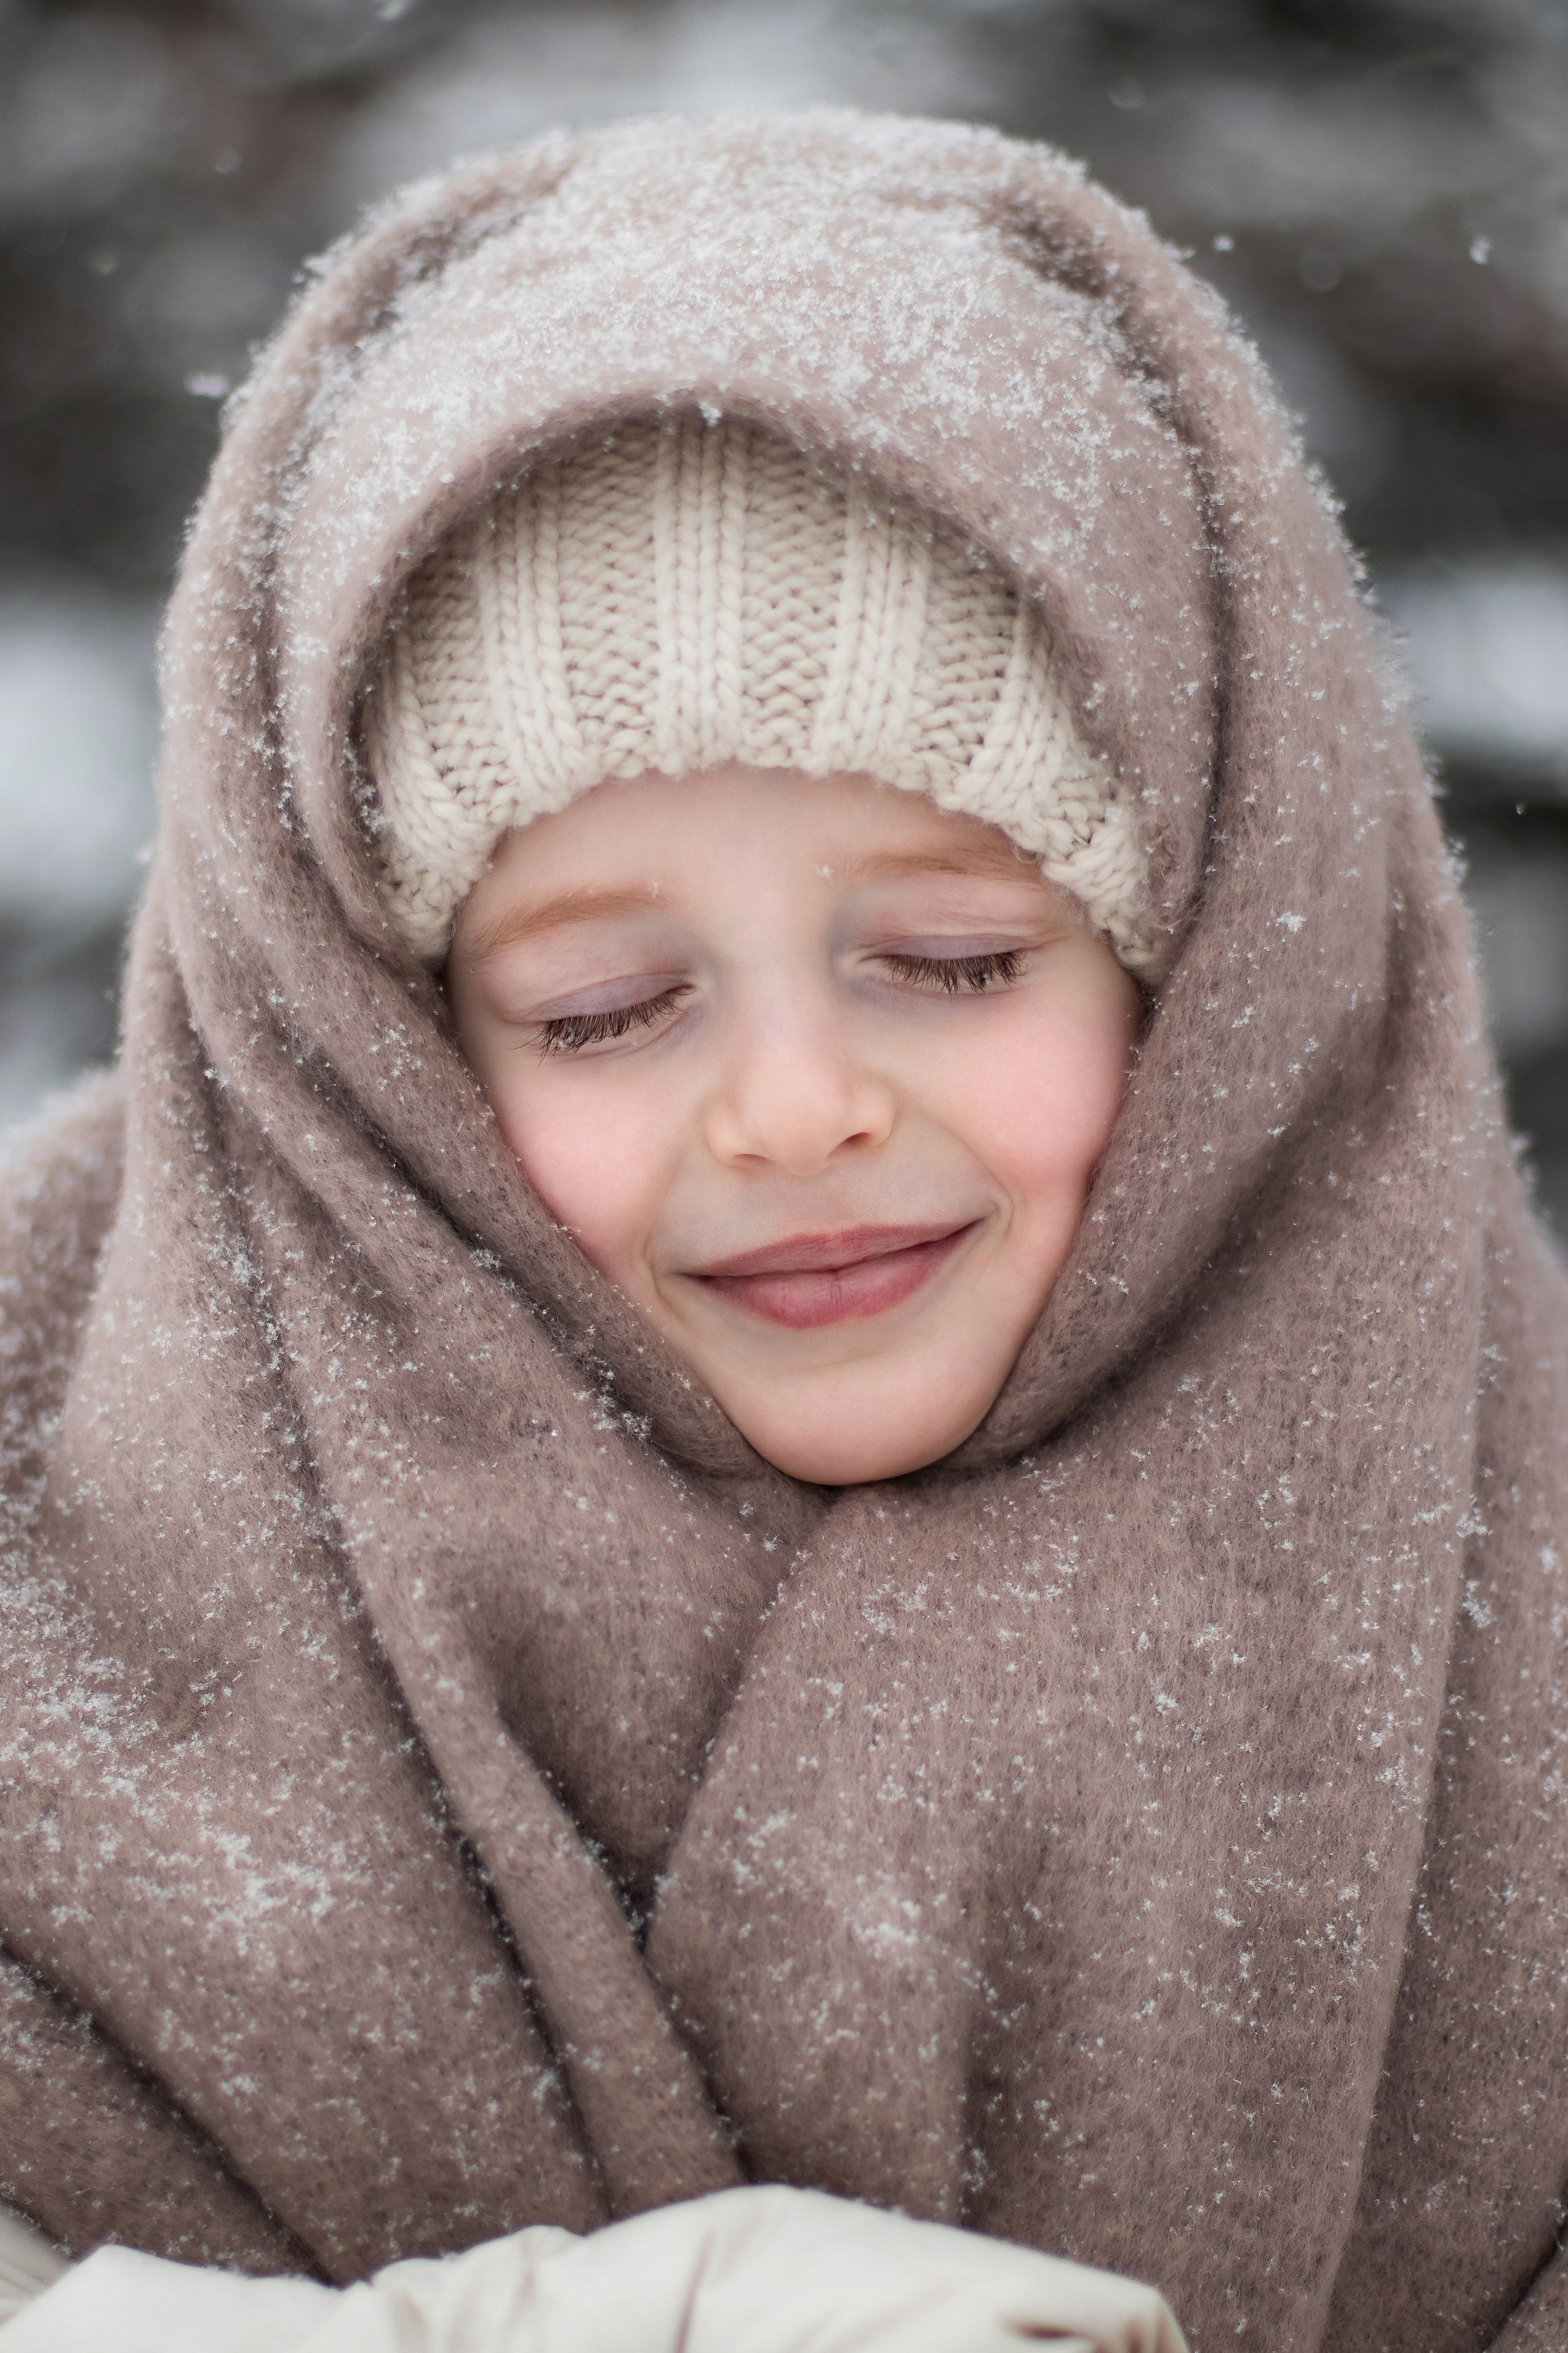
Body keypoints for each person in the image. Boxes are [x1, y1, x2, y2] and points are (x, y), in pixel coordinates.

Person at [0, 105, 1564, 2353]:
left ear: (1222, 983)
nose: (798, 1107)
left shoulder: (1526, 1620)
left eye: (951, 959)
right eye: (603, 1007)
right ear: (376, 1058)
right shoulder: (55, 1564)